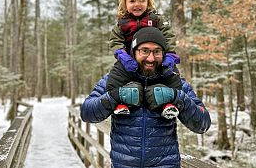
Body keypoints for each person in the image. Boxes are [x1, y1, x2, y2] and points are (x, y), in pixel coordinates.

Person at [81, 27, 211, 168]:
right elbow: (87, 113)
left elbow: (203, 124)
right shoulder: (115, 79)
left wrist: (176, 97)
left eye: (157, 52)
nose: (151, 58)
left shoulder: (174, 80)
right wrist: (115, 96)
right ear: (134, 52)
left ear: (164, 53)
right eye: (145, 51)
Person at [109, 0, 180, 116]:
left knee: (171, 75)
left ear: (148, 2)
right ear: (125, 4)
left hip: (154, 58)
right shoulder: (122, 24)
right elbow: (115, 41)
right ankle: (121, 103)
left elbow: (168, 37)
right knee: (116, 77)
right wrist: (122, 55)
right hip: (130, 60)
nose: (137, 4)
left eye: (142, 1)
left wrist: (170, 55)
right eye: (132, 1)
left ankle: (169, 104)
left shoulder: (155, 19)